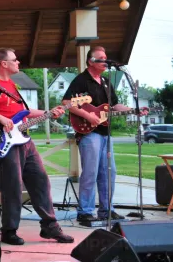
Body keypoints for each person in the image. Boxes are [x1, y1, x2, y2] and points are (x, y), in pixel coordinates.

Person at [0, 47, 74, 245]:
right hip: (5, 141)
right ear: (4, 64)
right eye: (15, 60)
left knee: (40, 180)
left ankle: (50, 227)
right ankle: (9, 230)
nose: (18, 62)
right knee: (13, 187)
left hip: (24, 139)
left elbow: (23, 113)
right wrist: (0, 118)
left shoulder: (11, 85)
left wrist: (49, 112)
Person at [62, 46, 147, 222]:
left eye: (106, 57)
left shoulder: (106, 82)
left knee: (109, 172)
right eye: (101, 58)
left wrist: (134, 110)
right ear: (91, 62)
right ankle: (85, 211)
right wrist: (87, 116)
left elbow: (115, 105)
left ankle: (107, 210)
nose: (106, 61)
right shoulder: (81, 80)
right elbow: (66, 102)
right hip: (88, 132)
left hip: (105, 132)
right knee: (90, 172)